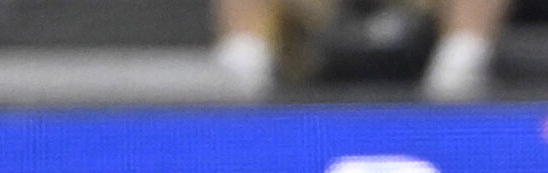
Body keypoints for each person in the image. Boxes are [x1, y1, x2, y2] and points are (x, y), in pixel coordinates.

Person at [213, 0, 512, 98]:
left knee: (460, 61)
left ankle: (462, 63)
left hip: (422, 23)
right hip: (312, 26)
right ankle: (244, 68)